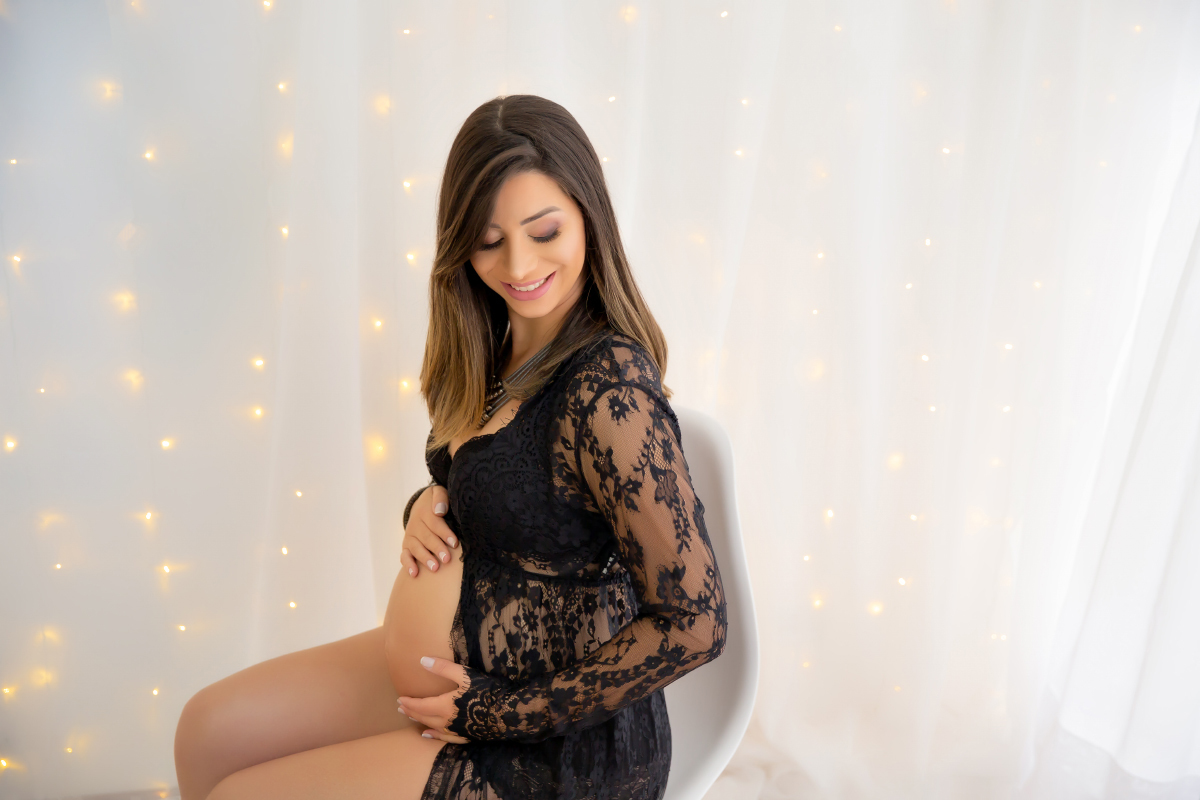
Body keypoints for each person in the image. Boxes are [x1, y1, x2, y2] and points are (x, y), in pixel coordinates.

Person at [174, 94, 728, 800]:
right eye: (489, 241)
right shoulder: (490, 354)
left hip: (553, 743)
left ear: (588, 216)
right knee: (208, 731)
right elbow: (511, 497)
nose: (519, 264)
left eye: (544, 231)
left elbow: (695, 623)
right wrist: (424, 507)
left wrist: (498, 714)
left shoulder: (609, 389)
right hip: (458, 678)